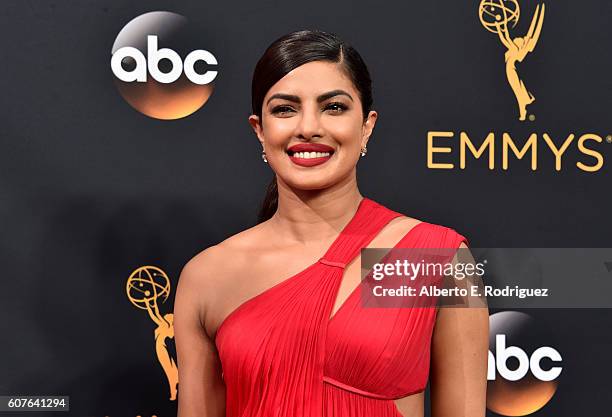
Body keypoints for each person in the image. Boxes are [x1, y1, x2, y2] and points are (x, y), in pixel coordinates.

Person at [173, 29, 488, 417]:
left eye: (333, 107)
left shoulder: (431, 256)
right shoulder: (207, 275)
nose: (309, 127)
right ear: (260, 130)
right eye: (285, 109)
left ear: (367, 125)